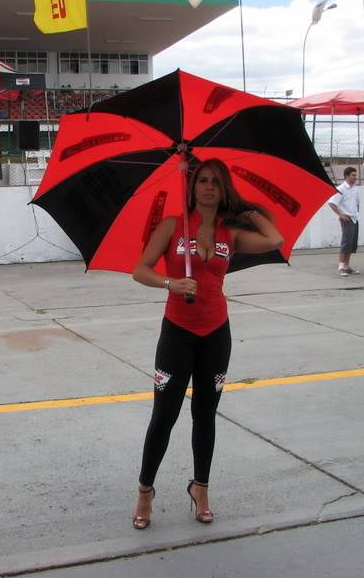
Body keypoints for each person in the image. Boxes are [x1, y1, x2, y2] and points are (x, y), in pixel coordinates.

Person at [131, 158, 283, 530]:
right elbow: (141, 270)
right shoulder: (172, 226)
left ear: (223, 188)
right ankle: (145, 491)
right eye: (202, 181)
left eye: (216, 182)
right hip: (177, 333)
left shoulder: (231, 232)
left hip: (216, 333)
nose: (209, 187)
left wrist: (245, 208)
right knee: (163, 417)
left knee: (205, 415)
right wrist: (171, 283)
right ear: (192, 186)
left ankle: (201, 488)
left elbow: (274, 239)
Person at [328, 167, 360, 276]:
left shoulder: (355, 188)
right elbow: (332, 203)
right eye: (353, 175)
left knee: (351, 244)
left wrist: (357, 214)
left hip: (355, 218)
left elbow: (357, 203)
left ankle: (347, 266)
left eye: (355, 175)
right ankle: (341, 267)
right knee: (346, 243)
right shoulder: (341, 189)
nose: (355, 177)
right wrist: (341, 214)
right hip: (347, 218)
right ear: (346, 176)